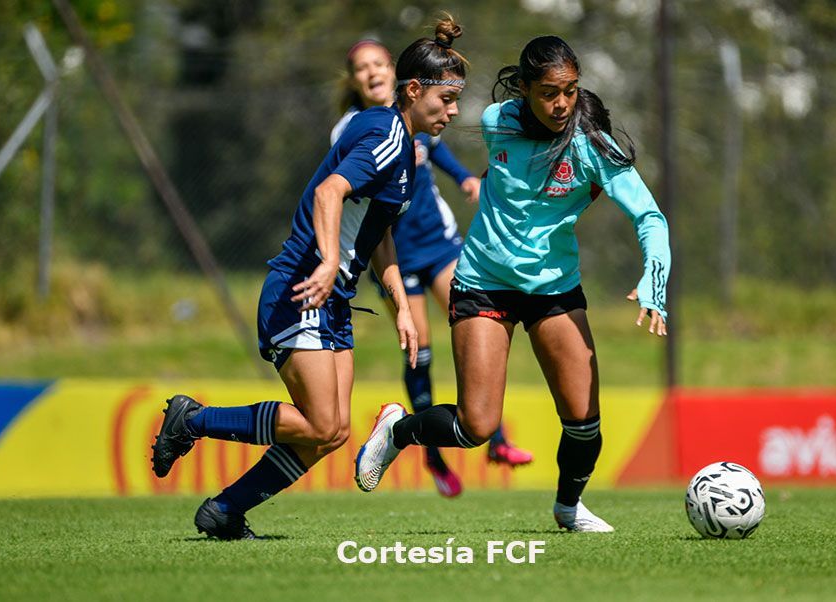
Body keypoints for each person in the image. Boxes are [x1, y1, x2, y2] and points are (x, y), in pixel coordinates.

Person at [150, 17, 470, 540]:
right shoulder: (387, 136)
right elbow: (329, 193)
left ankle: (225, 511)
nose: (454, 111)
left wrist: (403, 307)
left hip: (332, 298)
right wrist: (326, 262)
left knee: (333, 433)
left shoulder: (405, 153)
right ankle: (192, 420)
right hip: (303, 290)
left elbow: (379, 236)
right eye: (447, 99)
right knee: (321, 424)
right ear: (414, 91)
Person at [354, 36, 670, 533]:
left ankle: (568, 507)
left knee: (585, 423)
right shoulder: (496, 121)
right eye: (548, 92)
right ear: (524, 90)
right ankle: (398, 430)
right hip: (482, 282)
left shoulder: (592, 145)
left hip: (554, 289)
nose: (561, 103)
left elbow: (650, 217)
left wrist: (654, 280)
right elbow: (441, 108)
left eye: (569, 90)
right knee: (475, 426)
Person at [335, 40, 533, 498]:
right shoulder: (362, 129)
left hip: (439, 244)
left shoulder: (419, 118)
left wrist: (465, 176)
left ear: (395, 72)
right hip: (393, 255)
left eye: (378, 63)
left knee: (477, 322)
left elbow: (436, 149)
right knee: (419, 348)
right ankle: (432, 454)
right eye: (361, 68)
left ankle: (493, 436)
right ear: (354, 80)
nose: (372, 72)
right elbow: (339, 192)